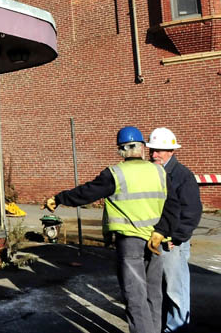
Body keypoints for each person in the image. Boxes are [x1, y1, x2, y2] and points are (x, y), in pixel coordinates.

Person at [42, 126, 178, 333]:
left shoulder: (115, 174)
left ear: (120, 151)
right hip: (155, 240)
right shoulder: (159, 171)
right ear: (142, 147)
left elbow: (86, 192)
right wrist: (160, 230)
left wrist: (59, 198)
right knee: (154, 292)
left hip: (130, 242)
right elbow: (173, 205)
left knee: (135, 295)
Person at [146, 127, 202, 332]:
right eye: (152, 150)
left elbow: (192, 211)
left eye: (159, 150)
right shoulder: (153, 172)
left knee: (175, 291)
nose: (154, 155)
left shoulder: (182, 176)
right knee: (159, 289)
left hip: (172, 243)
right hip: (155, 240)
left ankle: (176, 329)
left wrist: (176, 237)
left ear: (171, 151)